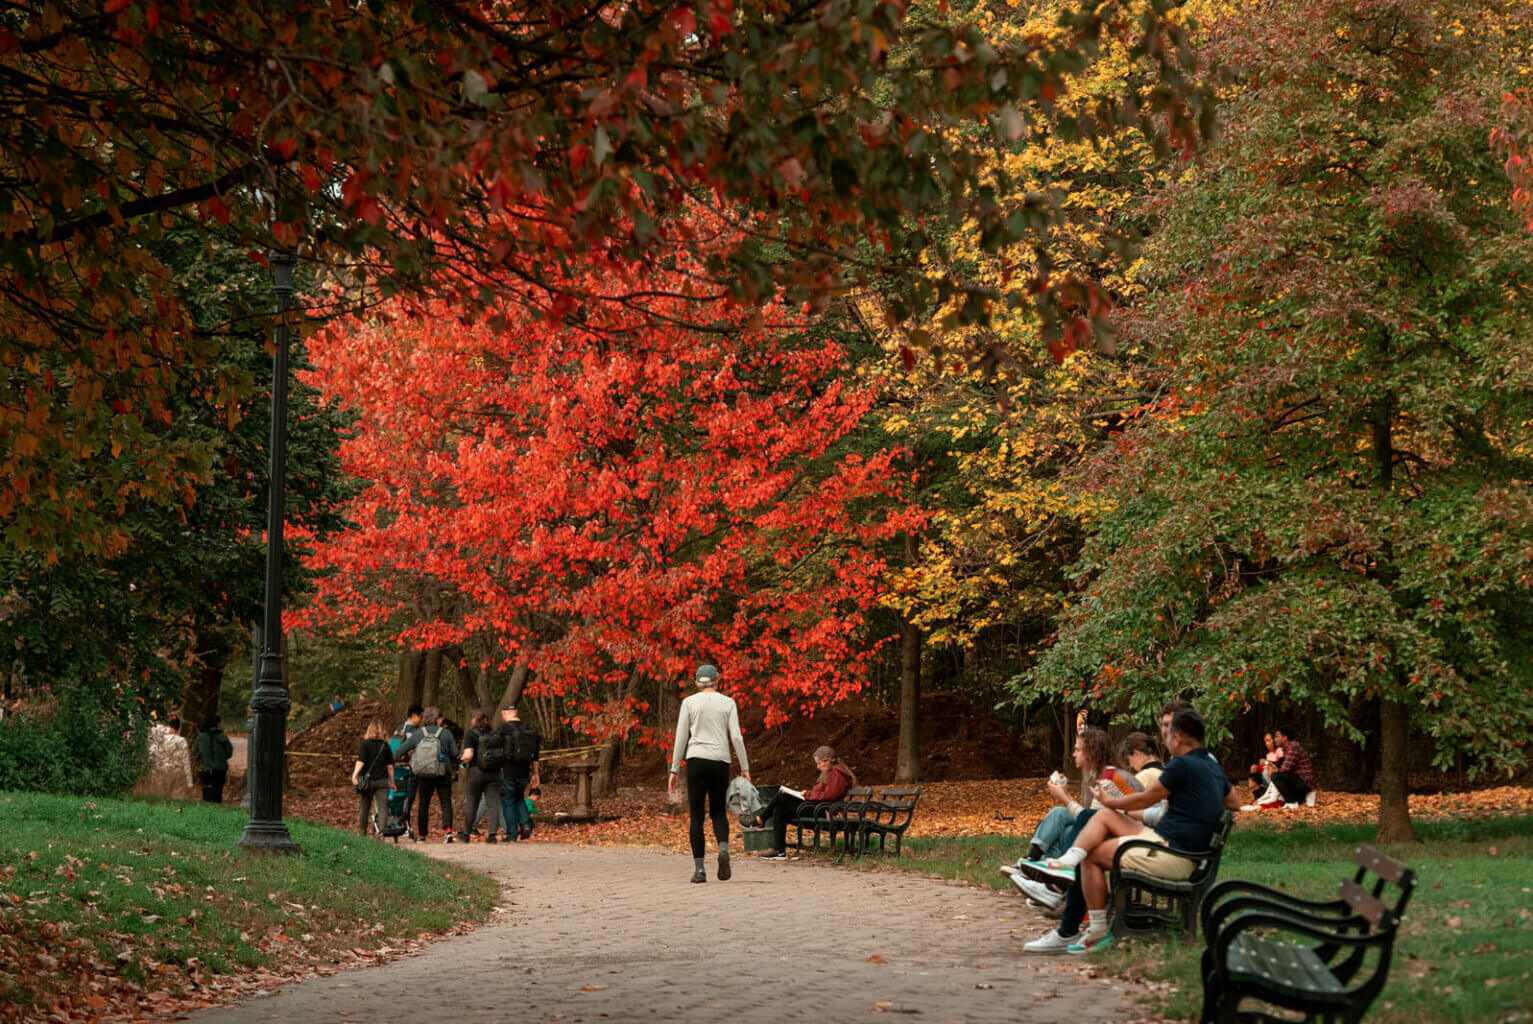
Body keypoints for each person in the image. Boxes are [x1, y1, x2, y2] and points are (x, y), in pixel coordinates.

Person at [1023, 708, 1238, 954]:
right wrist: (1198, 801)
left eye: (1167, 733)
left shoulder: (1182, 764)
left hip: (1173, 853)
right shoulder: (1210, 763)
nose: (1164, 738)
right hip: (1172, 843)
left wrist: (1109, 800)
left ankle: (1095, 927)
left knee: (1091, 853)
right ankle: (1065, 865)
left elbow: (1144, 799)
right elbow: (1234, 802)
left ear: (1178, 738)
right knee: (1102, 817)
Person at [668, 663, 750, 883]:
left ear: (696, 682)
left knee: (696, 815)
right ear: (717, 680)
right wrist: (744, 767)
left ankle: (699, 870)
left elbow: (681, 737)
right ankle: (723, 849)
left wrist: (674, 768)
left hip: (696, 760)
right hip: (719, 761)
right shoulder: (728, 703)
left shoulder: (689, 703)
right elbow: (736, 737)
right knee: (718, 812)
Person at [742, 745, 856, 859]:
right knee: (779, 809)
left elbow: (831, 795)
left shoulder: (836, 774)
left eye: (819, 763)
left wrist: (808, 794)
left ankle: (760, 819)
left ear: (827, 760)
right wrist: (806, 794)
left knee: (782, 797)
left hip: (823, 812)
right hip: (817, 808)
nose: (817, 766)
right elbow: (823, 794)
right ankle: (779, 851)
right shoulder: (829, 773)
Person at [394, 705, 460, 842]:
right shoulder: (446, 733)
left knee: (424, 803)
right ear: (438, 719)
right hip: (443, 772)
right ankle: (448, 832)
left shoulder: (419, 733)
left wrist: (392, 760)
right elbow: (455, 753)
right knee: (446, 802)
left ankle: (422, 835)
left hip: (423, 773)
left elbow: (402, 749)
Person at [495, 703, 541, 841]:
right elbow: (536, 755)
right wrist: (535, 773)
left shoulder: (502, 730)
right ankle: (526, 825)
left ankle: (511, 834)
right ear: (516, 712)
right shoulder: (528, 729)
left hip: (507, 771)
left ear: (504, 714)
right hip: (524, 772)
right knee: (519, 798)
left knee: (508, 801)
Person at [459, 710, 503, 843]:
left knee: (472, 802)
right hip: (495, 773)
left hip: (476, 772)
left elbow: (468, 755)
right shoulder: (496, 734)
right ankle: (492, 835)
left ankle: (466, 834)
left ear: (474, 719)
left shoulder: (471, 735)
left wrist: (461, 760)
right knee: (493, 804)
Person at [351, 720, 394, 835]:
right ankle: (381, 832)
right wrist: (392, 782)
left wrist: (354, 775)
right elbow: (390, 766)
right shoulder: (385, 746)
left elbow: (361, 762)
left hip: (367, 782)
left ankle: (362, 832)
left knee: (364, 807)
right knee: (383, 807)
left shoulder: (364, 744)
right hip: (382, 781)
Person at [1266, 726, 1315, 808]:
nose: (1275, 739)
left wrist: (1274, 770)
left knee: (1276, 776)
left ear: (1285, 738)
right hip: (1299, 783)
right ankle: (1304, 797)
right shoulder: (1286, 749)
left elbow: (1285, 769)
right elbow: (1279, 764)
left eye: (1277, 736)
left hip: (1303, 782)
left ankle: (1291, 802)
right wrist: (1271, 766)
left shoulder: (1293, 747)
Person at [193, 714, 234, 803]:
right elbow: (229, 753)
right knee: (218, 794)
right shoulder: (223, 736)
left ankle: (207, 813)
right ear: (217, 724)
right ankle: (217, 812)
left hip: (205, 770)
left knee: (206, 795)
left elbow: (194, 753)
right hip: (220, 770)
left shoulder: (201, 737)